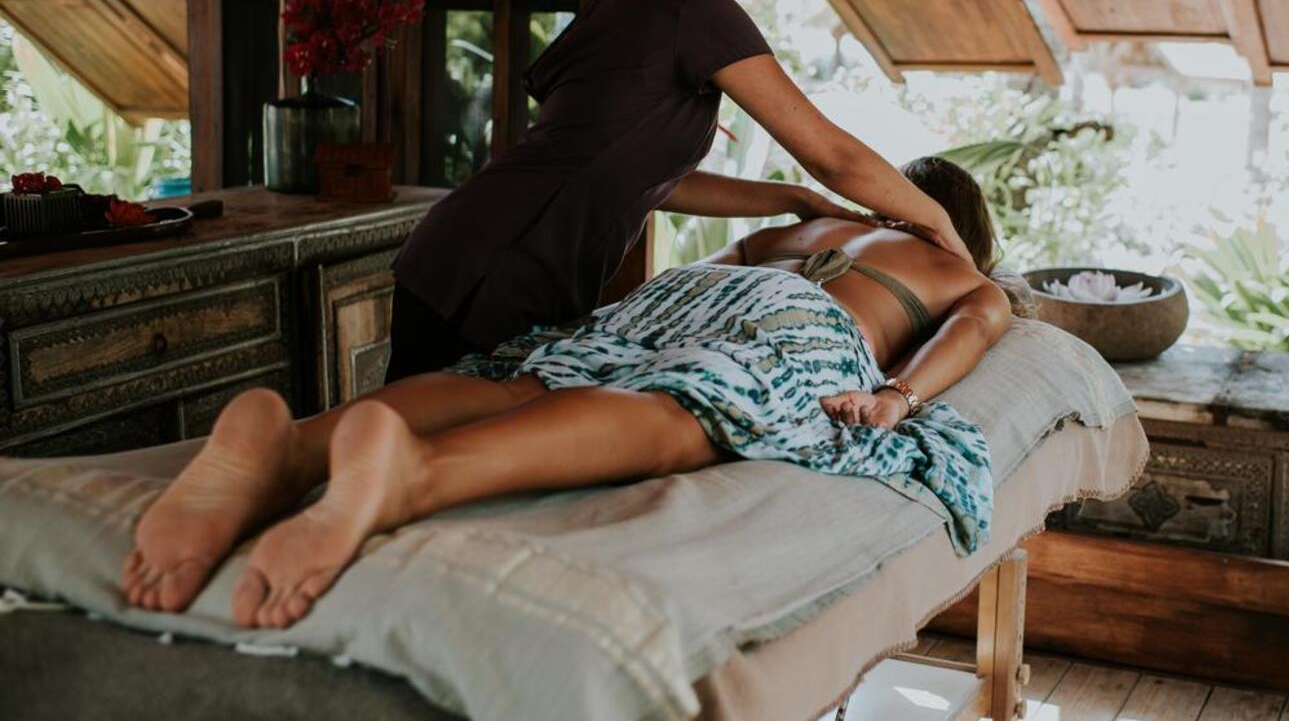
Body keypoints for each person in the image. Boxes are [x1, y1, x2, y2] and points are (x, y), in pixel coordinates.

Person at [123, 158, 1013, 629]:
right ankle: (414, 478)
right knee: (684, 411)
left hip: (686, 296)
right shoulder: (953, 268)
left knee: (530, 380)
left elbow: (714, 265)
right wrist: (896, 397)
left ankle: (298, 447)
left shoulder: (816, 224)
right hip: (803, 325)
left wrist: (636, 329)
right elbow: (970, 333)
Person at [385, 0, 974, 381]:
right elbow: (830, 153)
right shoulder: (696, 4)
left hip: (475, 250)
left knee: (406, 456)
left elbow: (654, 180)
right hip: (493, 266)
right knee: (405, 459)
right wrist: (939, 220)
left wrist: (796, 199)